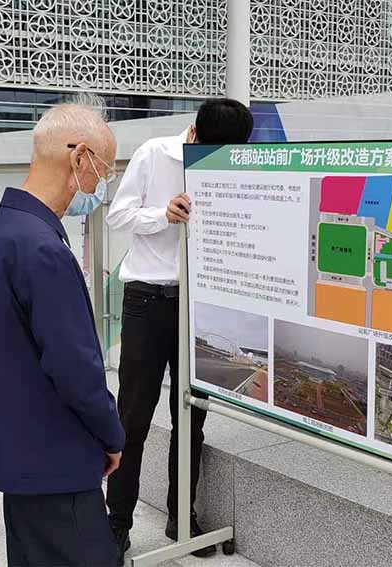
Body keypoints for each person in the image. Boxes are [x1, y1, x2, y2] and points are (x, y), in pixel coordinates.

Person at [0, 97, 125, 567]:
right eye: (105, 170)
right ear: (79, 158)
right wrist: (111, 435)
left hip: (19, 459)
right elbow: (74, 366)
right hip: (59, 464)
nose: (101, 185)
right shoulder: (43, 249)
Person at [106, 98, 254, 563]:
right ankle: (117, 523)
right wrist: (162, 215)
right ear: (193, 134)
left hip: (197, 306)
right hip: (147, 301)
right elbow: (117, 215)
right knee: (133, 417)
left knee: (191, 417)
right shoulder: (155, 154)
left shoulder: (229, 166)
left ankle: (182, 518)